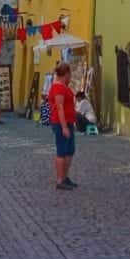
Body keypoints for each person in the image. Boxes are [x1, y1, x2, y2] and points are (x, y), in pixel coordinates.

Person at [48, 62, 77, 190]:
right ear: (66, 74)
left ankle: (65, 177)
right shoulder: (58, 87)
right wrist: (64, 127)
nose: (71, 77)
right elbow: (59, 107)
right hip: (60, 123)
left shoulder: (63, 86)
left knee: (70, 150)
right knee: (62, 151)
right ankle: (60, 180)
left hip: (68, 122)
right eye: (70, 74)